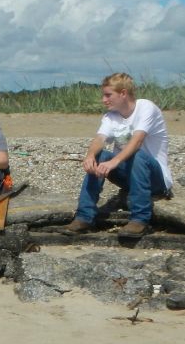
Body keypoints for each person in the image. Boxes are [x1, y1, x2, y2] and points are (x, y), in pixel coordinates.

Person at [64, 72, 173, 238]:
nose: (104, 100)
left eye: (108, 95)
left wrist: (114, 162)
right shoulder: (111, 116)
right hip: (130, 177)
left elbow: (137, 141)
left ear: (123, 93)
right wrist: (90, 156)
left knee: (137, 155)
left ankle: (140, 219)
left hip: (155, 179)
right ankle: (84, 216)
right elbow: (100, 139)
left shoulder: (146, 107)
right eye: (104, 95)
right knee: (100, 156)